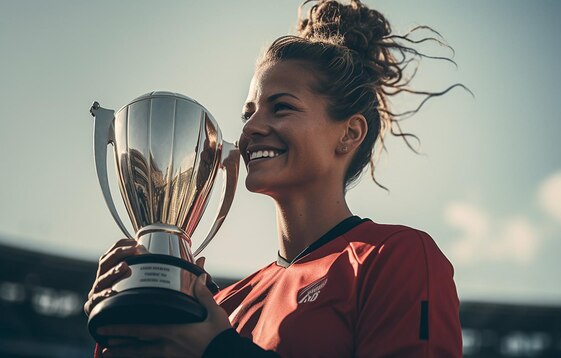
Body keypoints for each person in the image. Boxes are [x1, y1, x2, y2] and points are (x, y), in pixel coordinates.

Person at [84, 0, 463, 356]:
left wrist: (220, 350)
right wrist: (122, 324)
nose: (251, 128)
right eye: (248, 113)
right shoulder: (220, 306)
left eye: (280, 108)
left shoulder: (394, 257)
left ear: (349, 134)